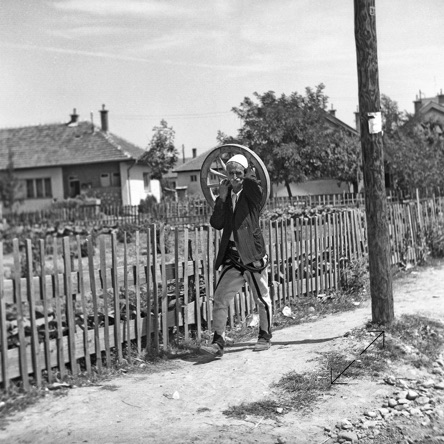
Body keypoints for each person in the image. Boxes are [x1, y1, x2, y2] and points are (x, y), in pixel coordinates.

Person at [200, 153, 272, 358]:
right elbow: (217, 223)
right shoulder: (226, 195)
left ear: (246, 173)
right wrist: (221, 198)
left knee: (262, 298)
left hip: (252, 255)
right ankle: (218, 341)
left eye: (238, 172)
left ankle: (265, 336)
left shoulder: (252, 192)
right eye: (230, 173)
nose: (234, 177)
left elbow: (254, 185)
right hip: (232, 256)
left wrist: (247, 173)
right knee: (220, 297)